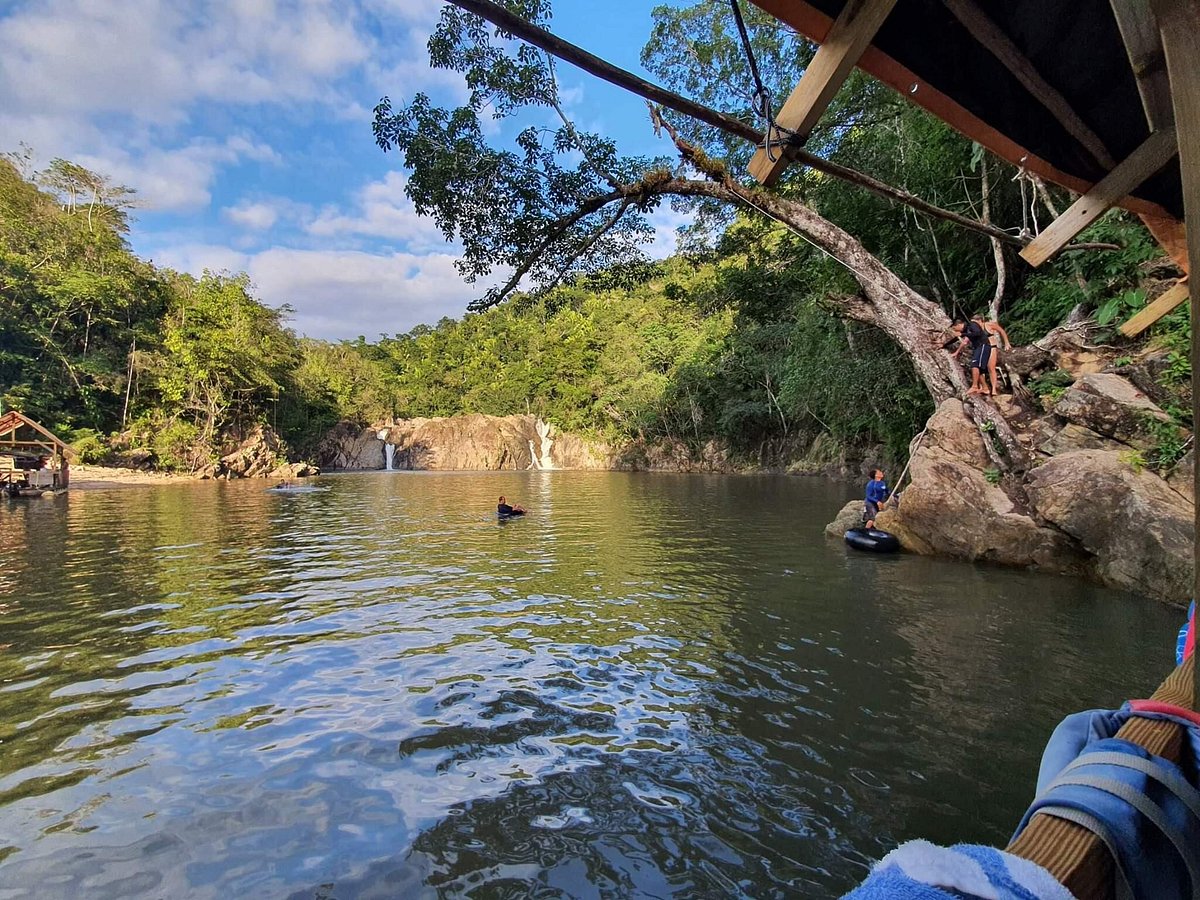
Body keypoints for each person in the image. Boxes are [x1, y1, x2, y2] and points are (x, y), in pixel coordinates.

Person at [951, 318, 993, 396]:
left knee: (975, 365)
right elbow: (955, 339)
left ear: (959, 325)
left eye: (955, 328)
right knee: (977, 368)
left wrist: (963, 334)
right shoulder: (965, 330)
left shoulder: (972, 325)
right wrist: (944, 345)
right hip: (977, 348)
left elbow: (977, 333)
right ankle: (985, 388)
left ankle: (974, 386)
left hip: (983, 345)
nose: (956, 331)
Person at [979, 314, 1012, 396]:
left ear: (981, 320)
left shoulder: (989, 325)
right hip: (981, 349)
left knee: (991, 368)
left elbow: (1001, 330)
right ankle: (983, 387)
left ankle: (994, 389)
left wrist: (1006, 342)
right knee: (979, 369)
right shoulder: (974, 329)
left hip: (991, 347)